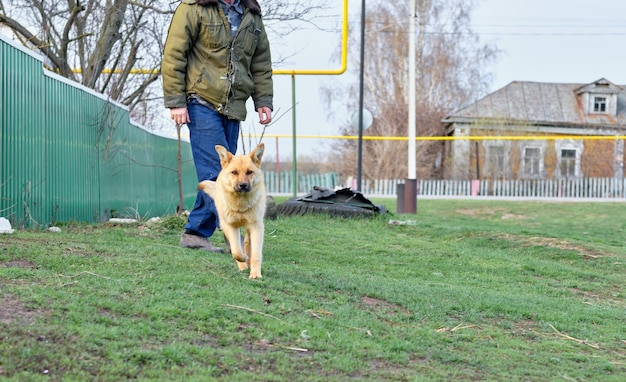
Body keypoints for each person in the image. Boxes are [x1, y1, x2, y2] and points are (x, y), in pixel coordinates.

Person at [161, 0, 273, 252]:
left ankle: (198, 232)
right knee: (216, 172)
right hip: (201, 100)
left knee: (229, 171)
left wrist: (263, 100)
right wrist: (176, 101)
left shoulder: (251, 14)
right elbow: (174, 54)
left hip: (234, 105)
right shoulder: (193, 8)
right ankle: (219, 230)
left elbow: (261, 62)